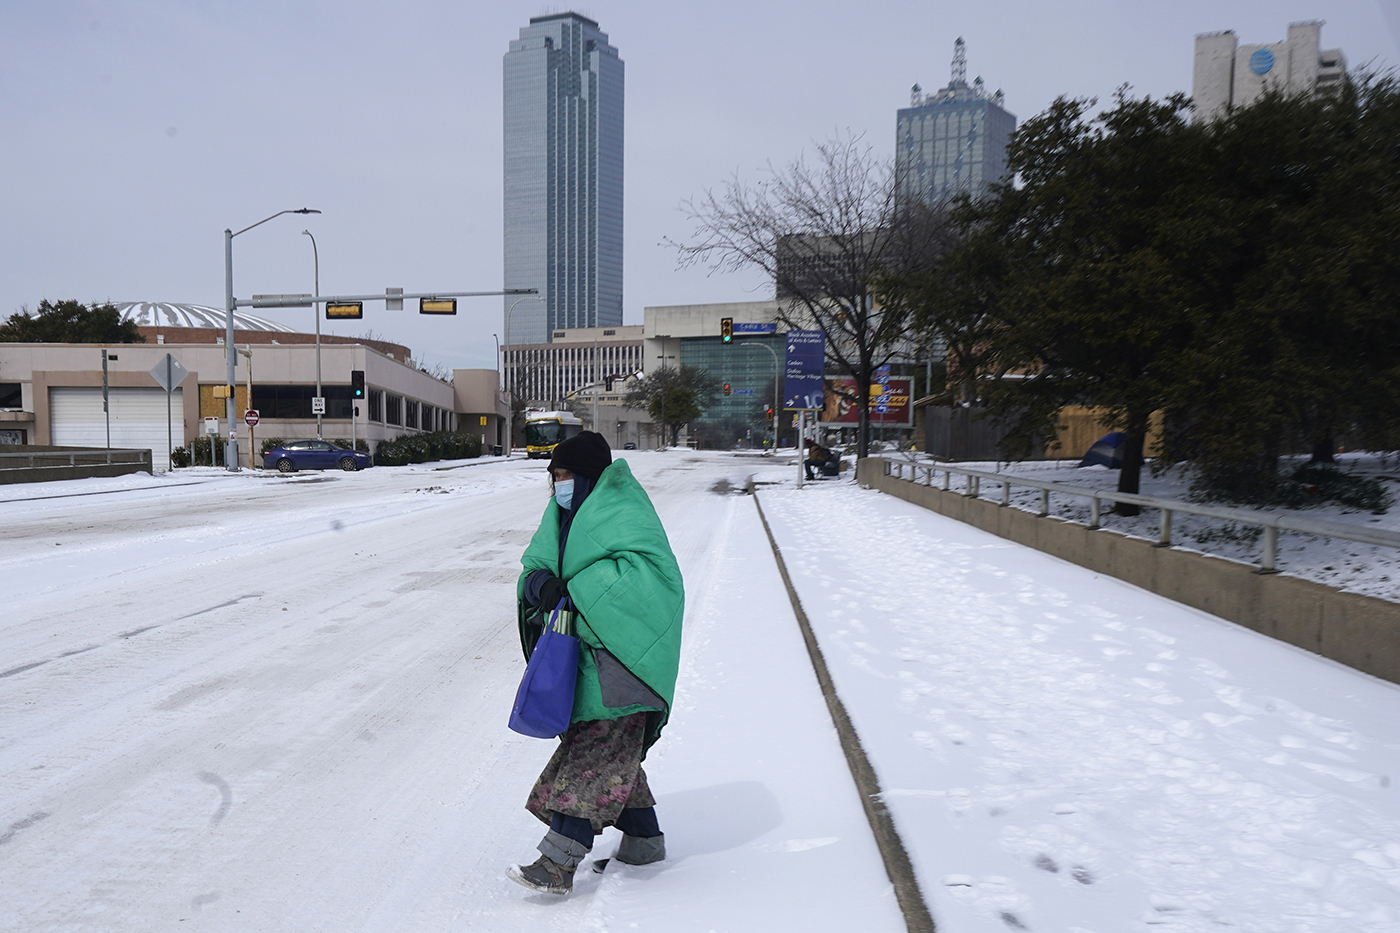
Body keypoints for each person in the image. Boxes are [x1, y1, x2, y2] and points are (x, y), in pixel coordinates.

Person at [508, 431, 685, 896]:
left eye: (566, 475)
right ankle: (644, 842)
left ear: (589, 477)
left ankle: (557, 863)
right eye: (554, 477)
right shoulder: (562, 516)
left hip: (625, 667)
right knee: (612, 756)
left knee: (592, 760)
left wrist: (574, 592)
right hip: (585, 665)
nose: (559, 484)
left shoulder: (626, 514)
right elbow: (535, 569)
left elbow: (647, 581)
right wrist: (541, 586)